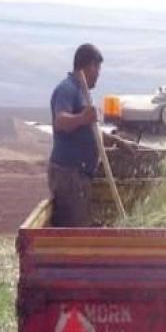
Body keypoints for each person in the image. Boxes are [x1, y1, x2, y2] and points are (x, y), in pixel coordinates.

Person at [48, 43, 116, 227]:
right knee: (73, 227)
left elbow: (89, 130)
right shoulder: (67, 89)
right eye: (98, 69)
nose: (99, 74)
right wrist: (83, 117)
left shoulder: (82, 92)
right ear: (90, 66)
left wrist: (116, 141)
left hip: (80, 174)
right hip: (69, 174)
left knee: (81, 222)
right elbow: (60, 121)